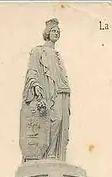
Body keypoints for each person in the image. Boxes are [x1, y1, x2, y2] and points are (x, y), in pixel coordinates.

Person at [20, 18, 70, 161]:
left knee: (59, 120)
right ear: (47, 33)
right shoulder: (38, 51)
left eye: (58, 31)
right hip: (46, 92)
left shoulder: (58, 56)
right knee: (49, 120)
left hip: (60, 92)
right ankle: (44, 153)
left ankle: (52, 152)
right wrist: (35, 85)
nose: (56, 33)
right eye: (53, 31)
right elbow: (32, 70)